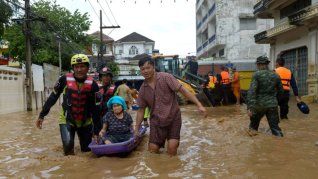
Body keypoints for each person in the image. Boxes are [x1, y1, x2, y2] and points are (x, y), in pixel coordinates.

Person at [134, 56, 207, 156]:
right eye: (143, 69)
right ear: (140, 71)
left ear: (153, 67)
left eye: (148, 68)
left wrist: (199, 104)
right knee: (152, 150)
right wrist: (136, 129)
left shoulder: (166, 77)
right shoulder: (143, 89)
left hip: (173, 118)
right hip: (157, 122)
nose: (145, 71)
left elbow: (183, 91)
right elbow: (141, 110)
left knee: (172, 150)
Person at [35, 54, 101, 155]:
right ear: (73, 68)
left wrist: (97, 131)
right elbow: (53, 97)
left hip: (86, 121)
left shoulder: (94, 85)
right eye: (76, 67)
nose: (79, 70)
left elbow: (97, 109)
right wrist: (42, 115)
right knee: (68, 149)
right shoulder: (64, 80)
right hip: (67, 119)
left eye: (82, 66)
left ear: (88, 68)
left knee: (87, 151)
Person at [246, 56, 284, 137]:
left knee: (253, 128)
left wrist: (250, 107)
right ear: (267, 64)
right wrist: (275, 101)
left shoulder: (256, 75)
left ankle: (254, 148)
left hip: (259, 105)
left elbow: (252, 92)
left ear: (258, 64)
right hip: (272, 105)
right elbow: (281, 92)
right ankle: (281, 144)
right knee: (275, 129)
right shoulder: (276, 75)